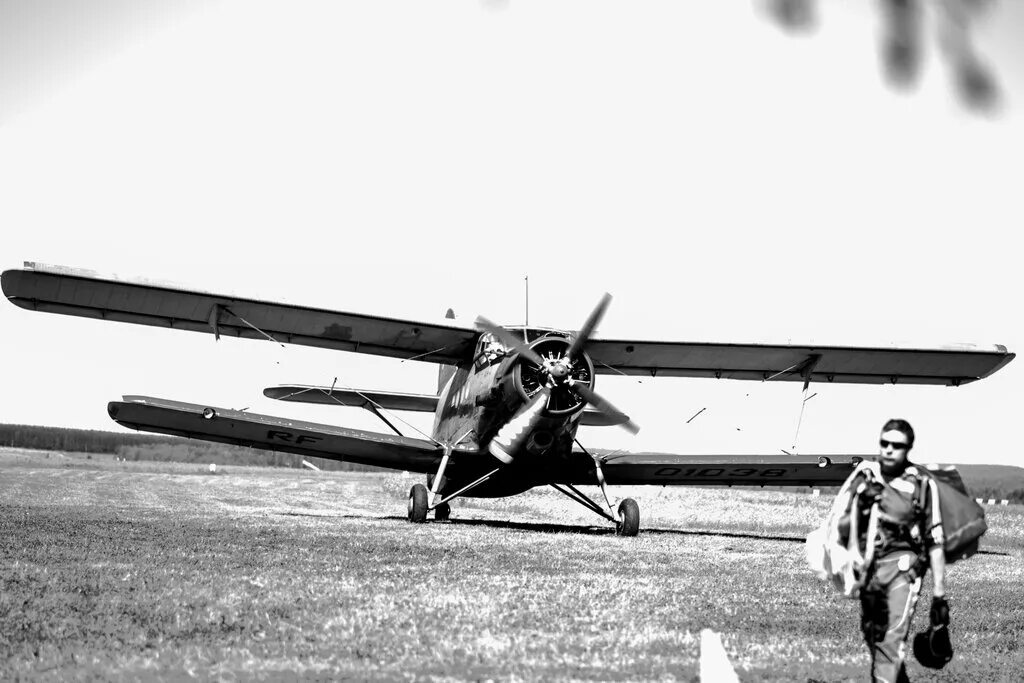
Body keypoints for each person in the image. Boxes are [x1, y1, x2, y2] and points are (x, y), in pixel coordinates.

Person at [849, 418, 948, 683]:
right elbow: (846, 524)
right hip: (871, 571)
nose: (889, 449)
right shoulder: (866, 478)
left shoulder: (921, 484)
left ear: (909, 448)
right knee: (873, 635)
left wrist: (939, 596)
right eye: (885, 443)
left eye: (897, 445)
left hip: (904, 571)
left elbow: (935, 540)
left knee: (889, 640)